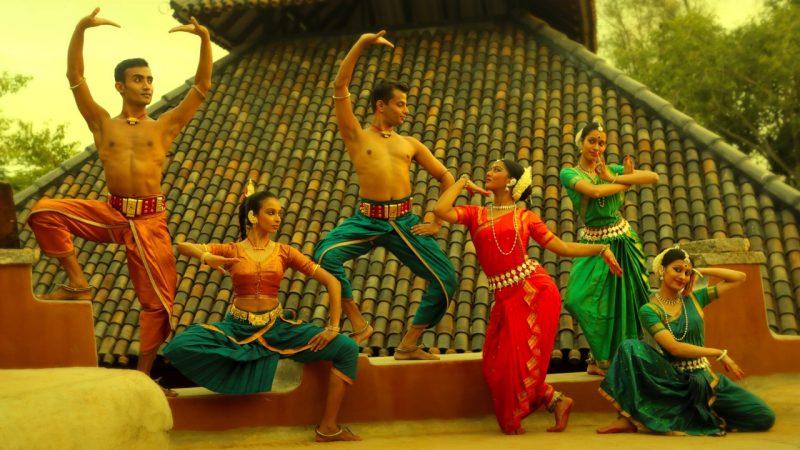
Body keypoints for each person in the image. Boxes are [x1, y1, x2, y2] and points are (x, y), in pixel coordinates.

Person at [26, 8, 212, 389]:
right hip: (110, 213)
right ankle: (78, 282)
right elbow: (75, 78)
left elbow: (201, 88)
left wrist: (205, 40)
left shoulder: (164, 127)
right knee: (44, 211)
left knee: (158, 304)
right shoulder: (102, 123)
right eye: (137, 79)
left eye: (149, 79)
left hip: (150, 221)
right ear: (120, 86)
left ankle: (143, 377)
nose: (146, 85)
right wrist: (79, 29)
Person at [433, 159, 623, 434]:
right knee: (494, 365)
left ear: (511, 182)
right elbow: (440, 209)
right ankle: (555, 400)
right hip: (504, 297)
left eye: (497, 169)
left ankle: (549, 401)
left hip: (534, 291)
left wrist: (600, 250)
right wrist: (462, 182)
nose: (489, 172)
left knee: (519, 363)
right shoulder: (476, 214)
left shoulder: (525, 217)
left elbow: (562, 247)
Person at [164, 187, 361, 442]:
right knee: (182, 344)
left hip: (277, 328)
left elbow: (333, 282)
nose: (278, 218)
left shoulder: (285, 252)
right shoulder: (232, 249)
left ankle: (328, 427)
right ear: (253, 217)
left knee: (346, 348)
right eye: (271, 212)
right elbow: (182, 246)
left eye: (280, 213)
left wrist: (333, 327)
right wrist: (206, 256)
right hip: (237, 327)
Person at [313, 31, 457, 360]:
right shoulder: (356, 135)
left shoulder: (410, 143)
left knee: (447, 278)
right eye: (400, 104)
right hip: (367, 220)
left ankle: (409, 343)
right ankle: (358, 323)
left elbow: (445, 176)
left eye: (407, 104)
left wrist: (435, 219)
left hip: (405, 222)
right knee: (324, 256)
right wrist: (361, 44)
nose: (406, 110)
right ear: (382, 105)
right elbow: (340, 88)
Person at [597, 247, 775, 435]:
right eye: (677, 269)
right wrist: (719, 353)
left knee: (763, 416)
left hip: (706, 379)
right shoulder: (650, 310)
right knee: (629, 347)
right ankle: (631, 418)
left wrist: (701, 271)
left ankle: (706, 413)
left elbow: (739, 277)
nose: (682, 276)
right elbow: (674, 348)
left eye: (687, 272)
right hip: (674, 379)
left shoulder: (695, 298)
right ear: (662, 270)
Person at [559, 121, 659, 375]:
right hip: (594, 244)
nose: (597, 147)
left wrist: (613, 176)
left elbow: (653, 177)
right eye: (591, 140)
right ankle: (602, 356)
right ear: (581, 143)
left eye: (601, 142)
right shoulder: (569, 173)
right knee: (577, 298)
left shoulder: (610, 169)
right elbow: (593, 192)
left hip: (623, 240)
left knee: (624, 302)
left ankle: (609, 361)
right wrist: (624, 181)